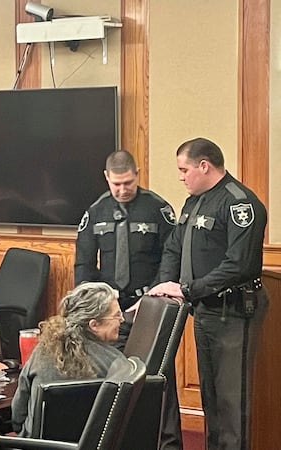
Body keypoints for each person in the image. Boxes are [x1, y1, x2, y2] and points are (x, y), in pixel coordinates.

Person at [149, 137, 268, 450]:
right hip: (203, 311)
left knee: (232, 402)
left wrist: (187, 289)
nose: (180, 176)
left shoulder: (240, 203)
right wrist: (167, 286)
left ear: (204, 165)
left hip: (234, 312)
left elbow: (239, 265)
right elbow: (174, 247)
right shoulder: (193, 200)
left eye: (183, 169)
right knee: (211, 400)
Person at [74, 149, 182, 450]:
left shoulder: (157, 209)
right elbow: (83, 264)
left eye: (128, 182)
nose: (122, 189)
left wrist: (152, 295)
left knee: (160, 378)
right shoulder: (96, 212)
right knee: (111, 378)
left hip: (150, 307)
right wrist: (93, 305)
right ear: (107, 178)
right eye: (117, 184)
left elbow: (171, 258)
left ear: (137, 173)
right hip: (110, 311)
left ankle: (169, 445)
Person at [10, 282, 127, 438]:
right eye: (117, 315)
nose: (123, 320)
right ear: (94, 325)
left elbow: (18, 417)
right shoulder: (117, 363)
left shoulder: (41, 351)